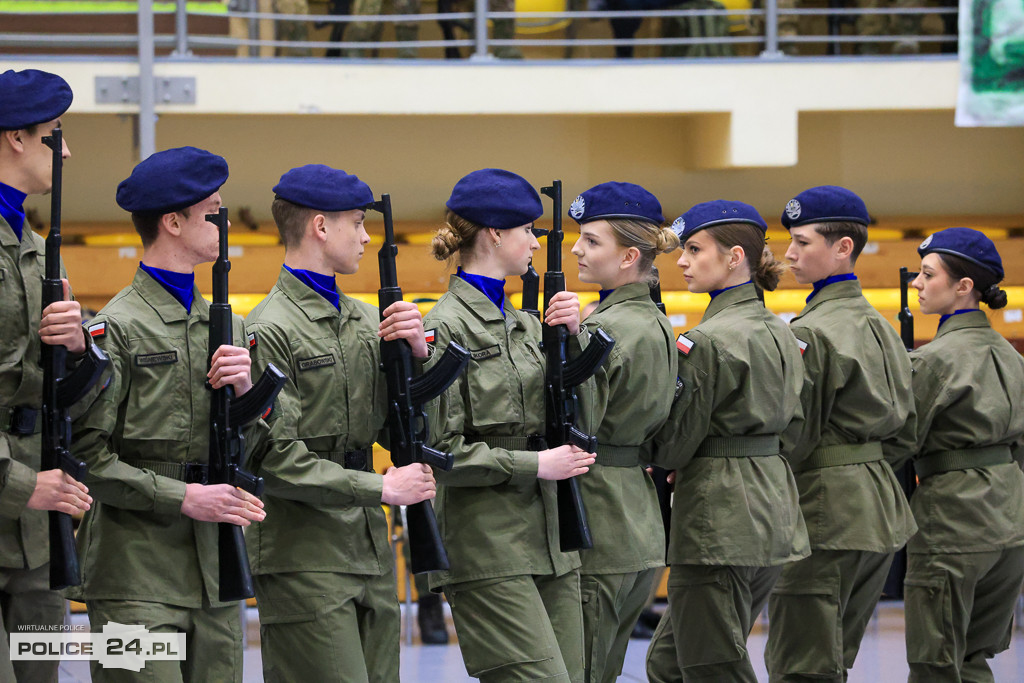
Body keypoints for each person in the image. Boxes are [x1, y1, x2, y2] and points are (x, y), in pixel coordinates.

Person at [70, 146, 267, 683]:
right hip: (135, 574)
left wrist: (250, 392)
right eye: (213, 212)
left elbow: (264, 447)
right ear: (173, 222)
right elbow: (87, 458)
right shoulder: (115, 328)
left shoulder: (230, 328)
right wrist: (186, 497)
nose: (225, 222)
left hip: (217, 570)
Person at [242, 164, 438, 681]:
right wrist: (379, 487)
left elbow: (408, 433)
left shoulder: (367, 321)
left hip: (369, 547)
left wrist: (417, 359)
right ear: (321, 227)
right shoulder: (269, 327)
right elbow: (273, 458)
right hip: (303, 552)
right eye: (357, 223)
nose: (366, 237)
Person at [423, 168, 596, 682]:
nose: (535, 245)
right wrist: (535, 463)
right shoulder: (444, 327)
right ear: (495, 234)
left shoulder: (527, 324)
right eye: (528, 232)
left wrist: (574, 337)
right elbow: (440, 450)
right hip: (486, 543)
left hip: (549, 536)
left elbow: (579, 415)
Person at [644, 200, 809, 682]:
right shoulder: (785, 334)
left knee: (713, 664)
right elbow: (795, 428)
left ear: (734, 257)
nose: (682, 261)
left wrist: (669, 457)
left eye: (695, 250)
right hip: (773, 509)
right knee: (672, 661)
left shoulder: (709, 340)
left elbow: (675, 441)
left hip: (719, 521)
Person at [765, 185, 917, 682]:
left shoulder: (811, 331)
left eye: (803, 242)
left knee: (799, 664)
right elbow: (906, 429)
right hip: (877, 508)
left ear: (843, 247)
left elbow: (795, 435)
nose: (789, 253)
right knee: (833, 660)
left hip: (823, 509)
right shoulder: (879, 324)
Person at [884, 227, 1024, 682]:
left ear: (964, 286)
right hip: (1010, 521)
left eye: (927, 275)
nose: (918, 285)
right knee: (973, 659)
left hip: (953, 523)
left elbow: (901, 440)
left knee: (935, 662)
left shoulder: (934, 361)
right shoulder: (1011, 356)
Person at [564, 181, 678, 683]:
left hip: (598, 516)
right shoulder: (653, 321)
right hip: (636, 517)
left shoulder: (608, 331)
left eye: (592, 240)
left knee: (582, 669)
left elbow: (577, 420)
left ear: (630, 255)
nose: (576, 249)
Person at [0, 67, 93, 683]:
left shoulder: (33, 246)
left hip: (39, 520)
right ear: (15, 139)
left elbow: (60, 386)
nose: (66, 150)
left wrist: (79, 349)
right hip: (17, 484)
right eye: (54, 135)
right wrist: (15, 482)